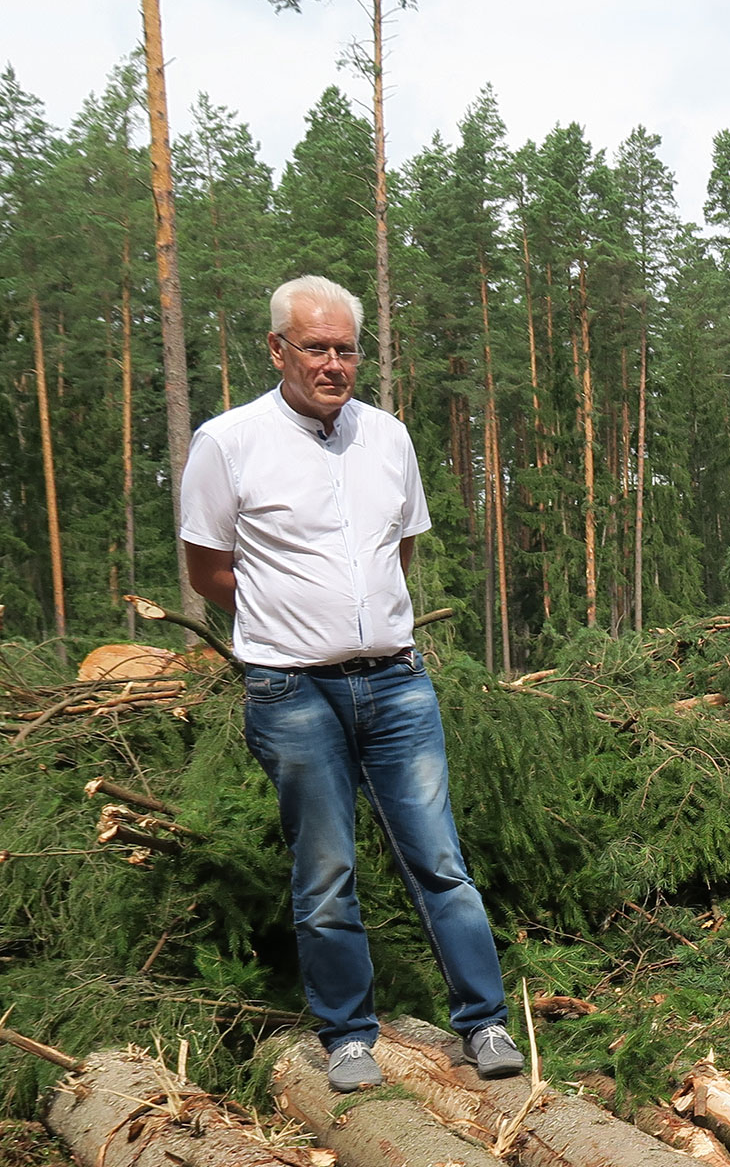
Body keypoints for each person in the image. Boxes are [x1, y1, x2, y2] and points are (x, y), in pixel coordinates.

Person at [178, 275, 522, 1095]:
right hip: (291, 693)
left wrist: (361, 621)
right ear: (277, 349)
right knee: (325, 866)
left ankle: (484, 1023)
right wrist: (291, 627)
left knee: (438, 858)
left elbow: (397, 550)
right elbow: (209, 570)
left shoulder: (388, 438)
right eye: (315, 347)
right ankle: (347, 1035)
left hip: (397, 685)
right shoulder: (228, 443)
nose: (333, 364)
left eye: (345, 349)